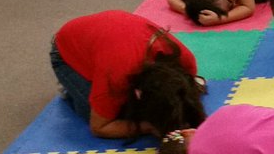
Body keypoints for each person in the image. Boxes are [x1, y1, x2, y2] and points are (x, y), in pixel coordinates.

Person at [51, 10, 205, 139]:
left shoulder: (186, 61)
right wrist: (148, 127)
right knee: (107, 114)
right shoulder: (118, 76)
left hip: (110, 38)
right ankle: (70, 86)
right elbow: (100, 127)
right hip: (66, 52)